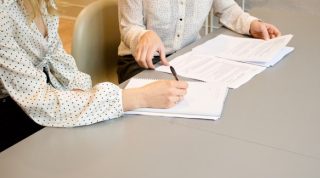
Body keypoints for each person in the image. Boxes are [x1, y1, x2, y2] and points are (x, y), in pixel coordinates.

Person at [0, 0, 188, 152]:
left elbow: (57, 58)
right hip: (14, 112)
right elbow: (39, 101)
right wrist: (140, 97)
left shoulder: (42, 3)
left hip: (41, 93)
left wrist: (83, 94)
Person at [117, 0, 282, 83]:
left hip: (188, 56)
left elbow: (227, 9)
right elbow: (129, 27)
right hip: (140, 62)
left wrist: (252, 25)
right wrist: (142, 36)